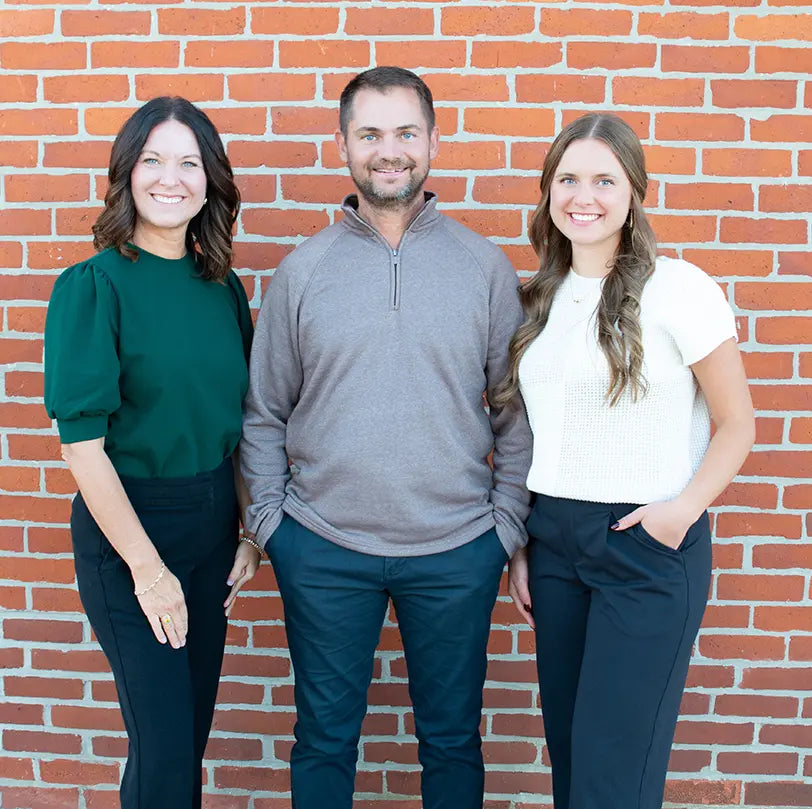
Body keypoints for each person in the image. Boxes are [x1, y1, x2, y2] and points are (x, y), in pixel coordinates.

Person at [239, 66, 532, 809]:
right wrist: (274, 526)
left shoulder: (484, 268)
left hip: (457, 548)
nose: (388, 150)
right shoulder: (303, 273)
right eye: (370, 134)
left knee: (453, 741)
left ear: (432, 141)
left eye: (405, 132)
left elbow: (515, 414)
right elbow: (264, 410)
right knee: (325, 741)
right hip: (325, 548)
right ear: (344, 145)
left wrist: (502, 530)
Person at [494, 113, 755, 809]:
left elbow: (737, 424)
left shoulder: (679, 288)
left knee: (616, 776)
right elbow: (539, 439)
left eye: (605, 179)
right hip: (555, 546)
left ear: (635, 192)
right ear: (548, 191)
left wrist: (679, 513)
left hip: (646, 545)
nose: (585, 196)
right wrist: (523, 542)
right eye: (569, 178)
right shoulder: (538, 303)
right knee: (574, 761)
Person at [43, 96, 261, 809]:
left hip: (209, 528)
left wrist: (250, 530)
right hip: (130, 535)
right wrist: (148, 569)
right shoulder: (94, 286)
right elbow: (82, 448)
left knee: (186, 737)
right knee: (164, 752)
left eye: (190, 163)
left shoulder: (222, 288)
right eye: (154, 160)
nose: (172, 179)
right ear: (127, 173)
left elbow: (235, 425)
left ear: (211, 181)